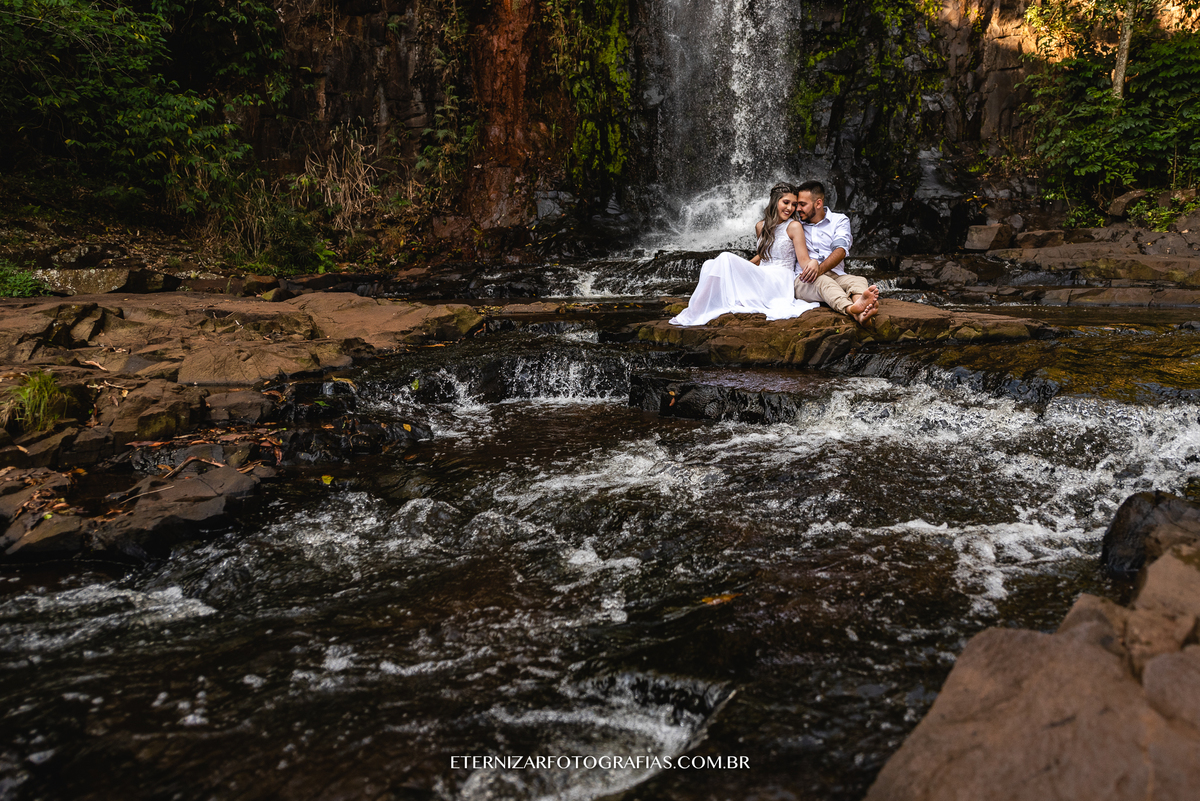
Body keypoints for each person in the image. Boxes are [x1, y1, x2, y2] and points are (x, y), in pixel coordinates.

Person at [669, 183, 820, 326]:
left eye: (794, 204)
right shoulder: (761, 226)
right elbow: (762, 257)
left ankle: (695, 310)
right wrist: (741, 267)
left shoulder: (794, 226)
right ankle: (698, 308)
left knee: (726, 258)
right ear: (775, 201)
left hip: (778, 281)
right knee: (711, 264)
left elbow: (804, 261)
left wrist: (814, 262)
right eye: (786, 202)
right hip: (763, 274)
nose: (790, 208)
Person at [792, 181, 879, 324]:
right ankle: (852, 310)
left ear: (818, 203)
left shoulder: (838, 220)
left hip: (834, 275)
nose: (797, 209)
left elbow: (841, 250)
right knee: (823, 282)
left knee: (858, 280)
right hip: (804, 279)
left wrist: (819, 269)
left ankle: (863, 311)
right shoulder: (795, 224)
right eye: (797, 205)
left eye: (802, 204)